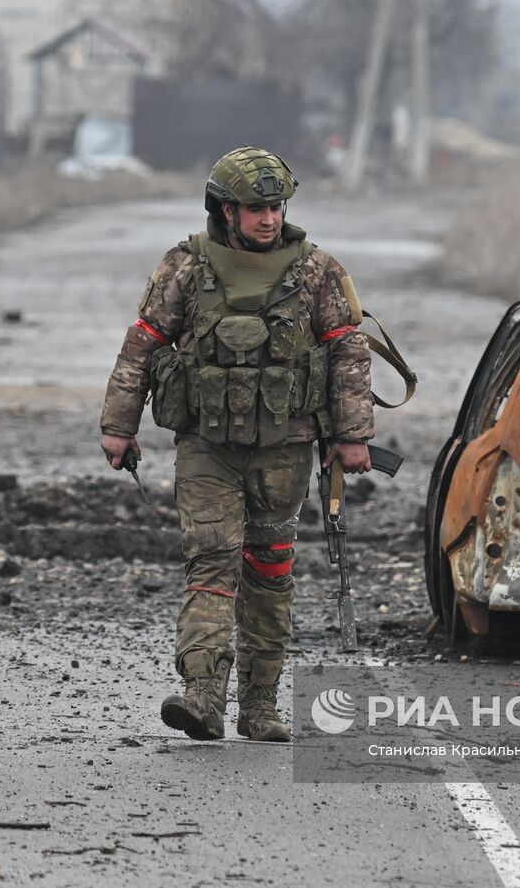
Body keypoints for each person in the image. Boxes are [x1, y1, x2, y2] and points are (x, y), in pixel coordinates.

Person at [100, 146, 374, 742]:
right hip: (207, 447)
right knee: (211, 562)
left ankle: (259, 705)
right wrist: (119, 425)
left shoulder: (318, 271)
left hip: (285, 448)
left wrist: (352, 436)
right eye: (255, 209)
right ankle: (202, 695)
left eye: (275, 207)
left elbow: (348, 350)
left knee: (270, 570)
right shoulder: (185, 266)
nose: (269, 219)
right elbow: (143, 342)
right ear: (225, 211)